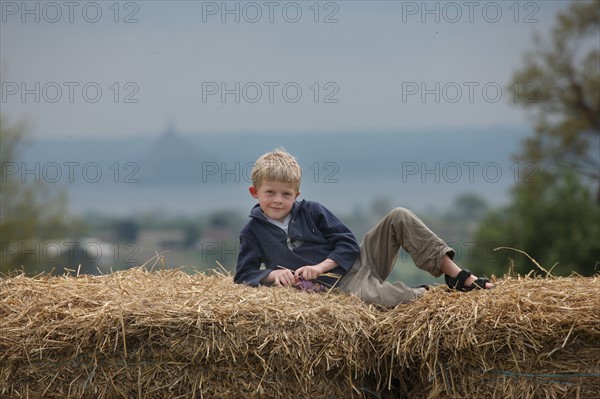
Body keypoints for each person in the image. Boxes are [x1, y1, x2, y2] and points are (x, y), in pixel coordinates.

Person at [234, 149, 493, 307]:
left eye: (286, 194)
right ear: (255, 192)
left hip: (359, 262)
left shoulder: (312, 210)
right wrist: (272, 276)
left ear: (297, 194)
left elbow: (346, 243)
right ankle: (436, 297)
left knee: (399, 216)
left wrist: (319, 267)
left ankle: (459, 278)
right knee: (394, 301)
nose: (278, 200)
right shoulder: (252, 232)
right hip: (341, 287)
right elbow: (244, 274)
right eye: (270, 193)